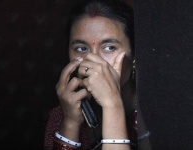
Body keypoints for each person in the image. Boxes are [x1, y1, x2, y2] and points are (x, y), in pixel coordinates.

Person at [44, 0, 137, 149]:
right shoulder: (61, 115)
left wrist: (112, 105)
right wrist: (70, 122)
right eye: (81, 49)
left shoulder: (158, 111)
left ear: (134, 54)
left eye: (109, 47)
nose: (93, 61)